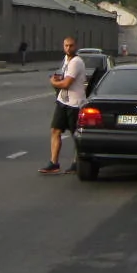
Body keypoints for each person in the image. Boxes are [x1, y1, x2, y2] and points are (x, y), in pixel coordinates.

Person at [41, 37, 87, 175]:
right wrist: (58, 79)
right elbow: (64, 79)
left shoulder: (76, 62)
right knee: (55, 130)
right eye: (66, 45)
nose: (68, 48)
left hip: (75, 104)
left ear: (76, 46)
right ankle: (54, 163)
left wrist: (53, 82)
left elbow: (67, 84)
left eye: (71, 46)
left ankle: (76, 162)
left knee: (76, 135)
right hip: (63, 102)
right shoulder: (66, 60)